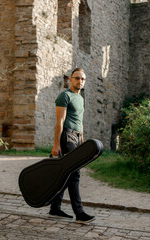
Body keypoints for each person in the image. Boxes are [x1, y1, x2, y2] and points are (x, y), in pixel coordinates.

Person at [49, 67, 95, 223]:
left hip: (76, 137)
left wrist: (82, 142)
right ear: (70, 79)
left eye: (83, 79)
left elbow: (80, 122)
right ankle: (79, 213)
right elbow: (60, 122)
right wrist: (56, 145)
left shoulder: (81, 98)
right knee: (75, 173)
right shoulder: (64, 96)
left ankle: (55, 207)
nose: (80, 81)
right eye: (77, 78)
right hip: (66, 136)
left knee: (65, 173)